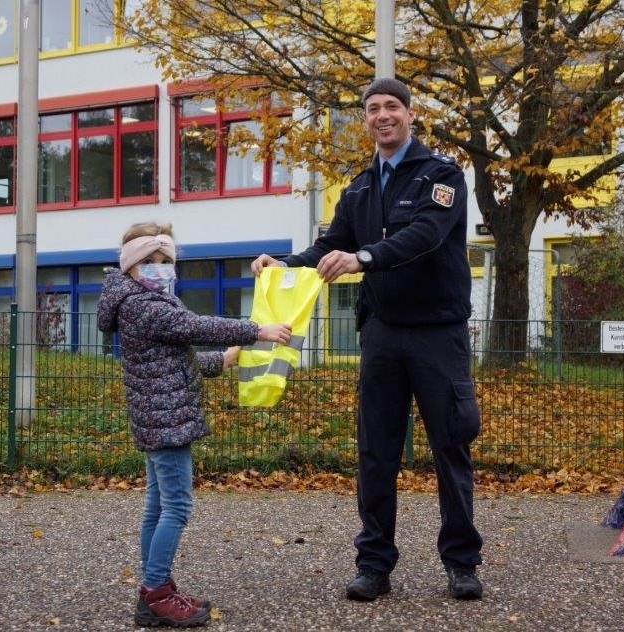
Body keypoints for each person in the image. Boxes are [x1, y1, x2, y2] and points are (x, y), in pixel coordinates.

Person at [251, 78, 484, 601]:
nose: (383, 116)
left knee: (450, 446)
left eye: (392, 107)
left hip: (436, 334)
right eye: (373, 109)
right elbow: (330, 246)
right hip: (380, 334)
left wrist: (366, 258)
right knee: (375, 453)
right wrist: (282, 263)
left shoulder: (440, 175)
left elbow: (426, 234)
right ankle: (374, 564)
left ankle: (462, 562)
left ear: (410, 113)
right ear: (365, 120)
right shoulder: (357, 188)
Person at [98, 222, 292, 627]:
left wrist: (224, 359)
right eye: (149, 261)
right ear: (131, 266)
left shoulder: (146, 301)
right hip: (165, 422)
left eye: (166, 261)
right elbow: (195, 327)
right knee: (178, 506)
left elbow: (175, 358)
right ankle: (155, 594)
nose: (159, 268)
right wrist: (257, 331)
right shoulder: (142, 306)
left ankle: (158, 587)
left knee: (158, 506)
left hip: (161, 418)